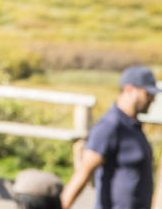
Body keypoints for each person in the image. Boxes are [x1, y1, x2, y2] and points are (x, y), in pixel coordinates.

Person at [61, 65, 159, 209]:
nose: (152, 100)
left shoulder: (133, 126)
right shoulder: (110, 126)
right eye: (148, 94)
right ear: (129, 90)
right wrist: (62, 204)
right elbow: (83, 172)